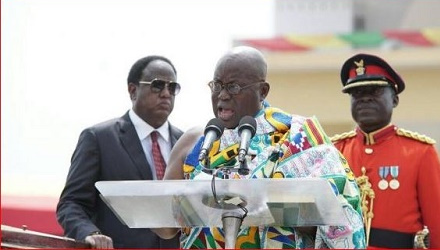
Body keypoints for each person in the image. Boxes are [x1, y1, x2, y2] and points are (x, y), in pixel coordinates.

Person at [154, 46, 366, 249]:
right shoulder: (195, 142)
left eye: (233, 87)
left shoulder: (297, 137)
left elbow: (341, 217)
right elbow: (165, 227)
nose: (222, 95)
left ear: (262, 91)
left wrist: (270, 206)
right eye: (217, 85)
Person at [331, 53, 440, 248]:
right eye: (356, 93)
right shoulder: (334, 151)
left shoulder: (420, 152)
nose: (364, 99)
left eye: (374, 91)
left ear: (394, 100)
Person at [56, 55, 184, 249]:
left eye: (172, 87)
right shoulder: (99, 138)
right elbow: (72, 203)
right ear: (133, 90)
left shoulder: (185, 144)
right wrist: (90, 233)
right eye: (157, 85)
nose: (166, 93)